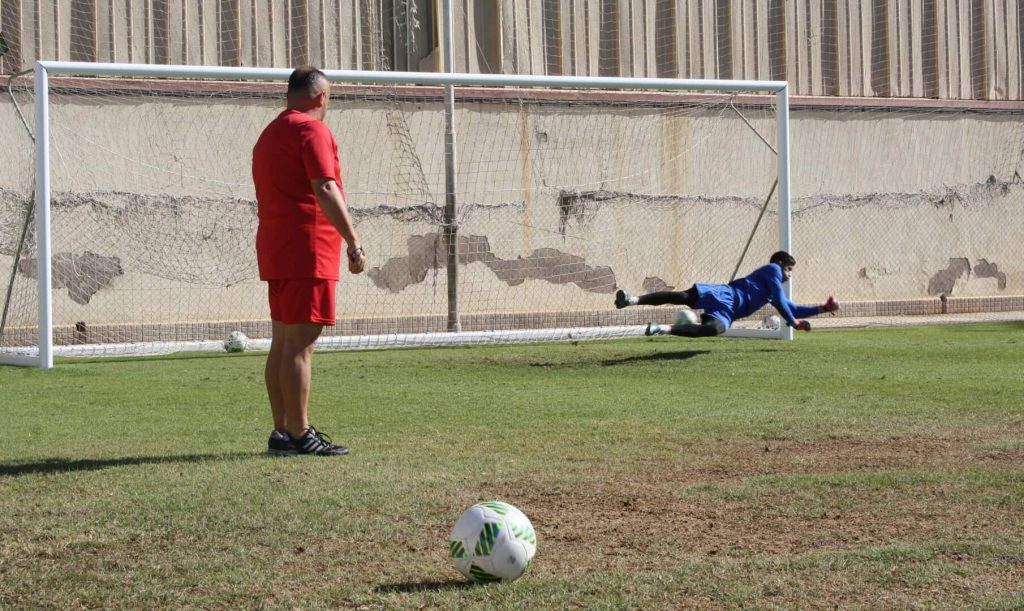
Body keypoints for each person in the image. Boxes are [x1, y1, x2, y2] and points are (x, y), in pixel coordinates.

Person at [252, 66, 367, 456]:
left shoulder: (268, 135)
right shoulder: (312, 130)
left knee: (283, 342)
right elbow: (325, 186)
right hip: (308, 247)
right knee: (302, 345)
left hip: (275, 247)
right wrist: (353, 241)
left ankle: (282, 431)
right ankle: (300, 434)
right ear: (321, 97)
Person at [614, 251, 838, 337]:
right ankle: (631, 300)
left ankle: (661, 329)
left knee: (714, 329)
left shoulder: (771, 290)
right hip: (727, 295)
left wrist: (823, 309)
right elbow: (782, 304)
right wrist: (794, 322)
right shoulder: (773, 270)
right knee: (682, 297)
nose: (790, 274)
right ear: (781, 264)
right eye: (789, 269)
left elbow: (792, 307)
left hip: (729, 312)